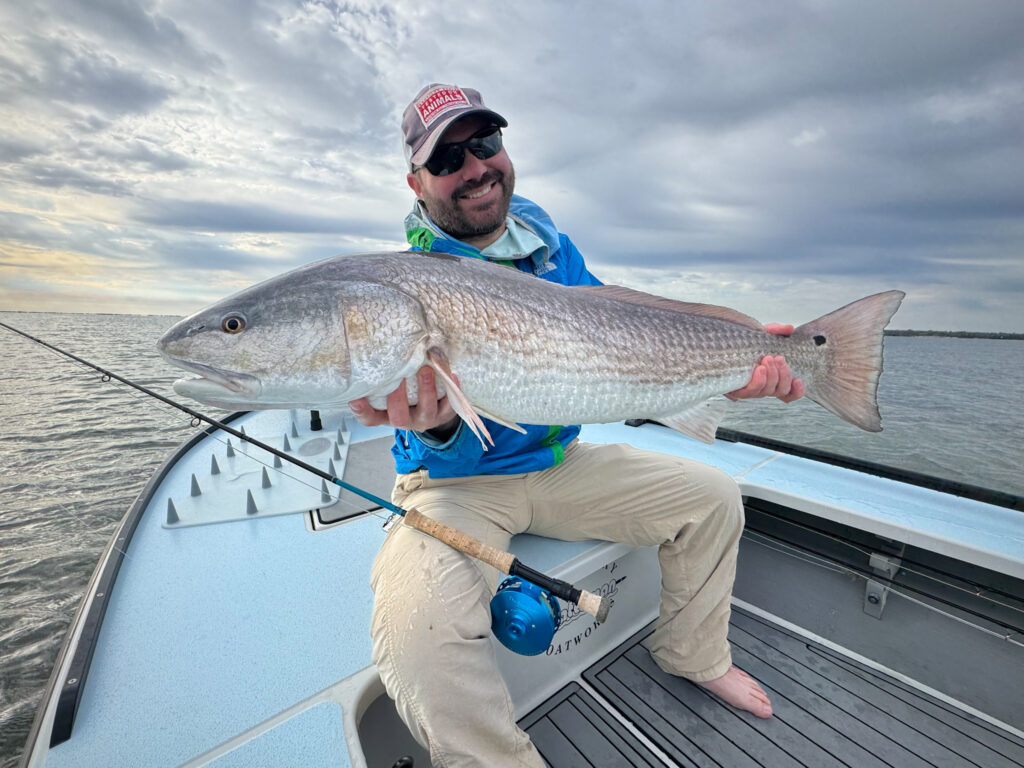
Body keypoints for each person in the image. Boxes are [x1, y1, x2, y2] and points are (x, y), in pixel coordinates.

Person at [351, 83, 804, 767]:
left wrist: (724, 369)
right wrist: (440, 428)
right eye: (447, 159)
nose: (475, 168)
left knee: (712, 498)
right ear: (416, 182)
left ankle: (693, 653)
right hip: (458, 488)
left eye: (486, 144)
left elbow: (622, 352)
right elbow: (425, 444)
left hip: (559, 464)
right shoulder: (404, 287)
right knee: (417, 632)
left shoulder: (554, 251)